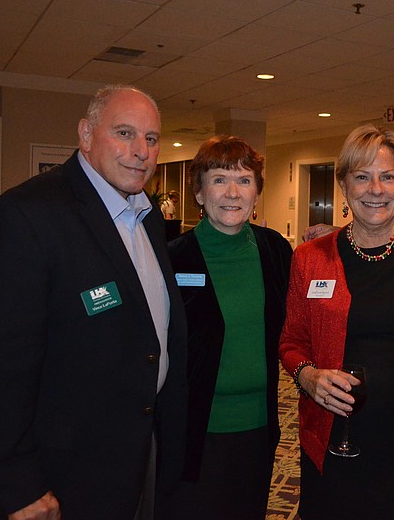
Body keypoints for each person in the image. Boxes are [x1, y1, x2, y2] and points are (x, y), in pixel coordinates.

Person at [0, 85, 188, 520]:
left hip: (138, 448)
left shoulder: (147, 216)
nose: (141, 151)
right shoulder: (25, 216)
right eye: (124, 133)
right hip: (62, 469)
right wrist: (14, 483)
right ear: (85, 134)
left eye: (151, 139)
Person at [279, 124, 394, 519]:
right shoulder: (310, 258)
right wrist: (307, 376)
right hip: (335, 437)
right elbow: (291, 340)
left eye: (388, 176)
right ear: (344, 186)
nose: (376, 188)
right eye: (362, 177)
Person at [164, 136, 292, 519]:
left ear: (257, 192)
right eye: (219, 180)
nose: (233, 192)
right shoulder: (171, 257)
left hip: (259, 425)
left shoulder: (274, 250)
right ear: (200, 193)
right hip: (194, 431)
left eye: (245, 180)